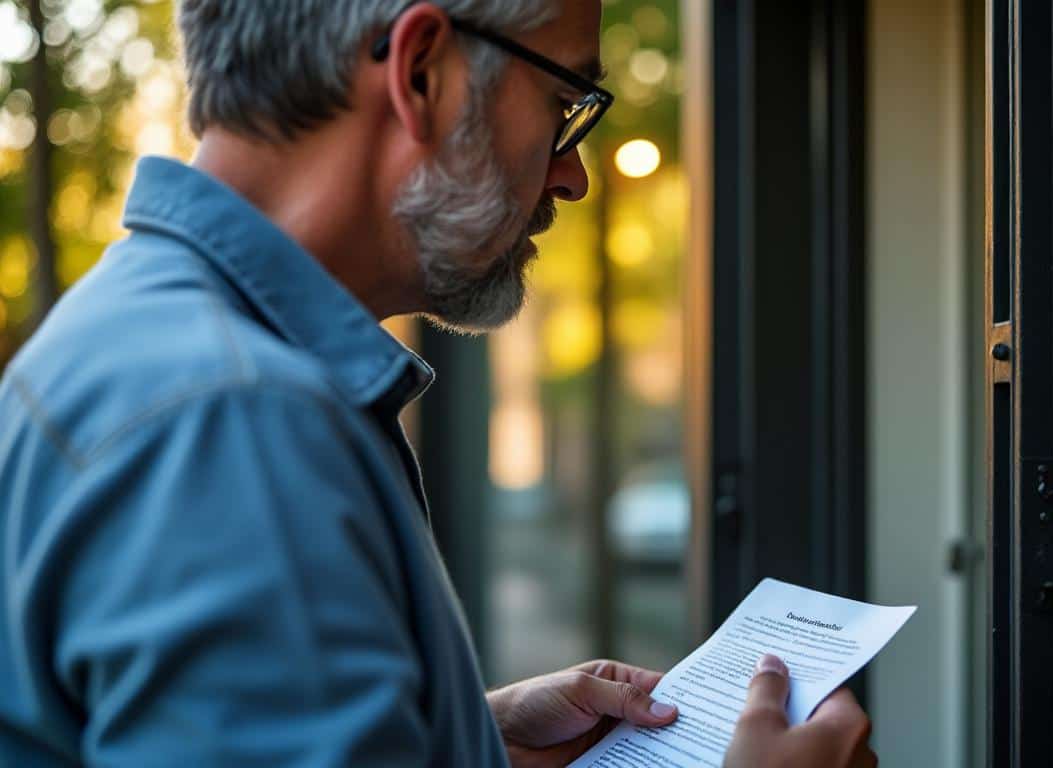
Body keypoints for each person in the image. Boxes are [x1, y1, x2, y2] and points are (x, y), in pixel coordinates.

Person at [0, 1, 876, 765]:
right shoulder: (237, 422)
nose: (572, 174)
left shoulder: (143, 345)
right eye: (564, 103)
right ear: (421, 73)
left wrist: (463, 735)